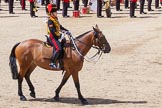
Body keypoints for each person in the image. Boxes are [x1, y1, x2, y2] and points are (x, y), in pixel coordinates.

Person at [47, 3, 69, 69]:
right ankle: (52, 62)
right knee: (58, 48)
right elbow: (52, 31)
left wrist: (67, 31)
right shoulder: (50, 20)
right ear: (51, 13)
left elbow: (60, 27)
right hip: (53, 38)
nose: (56, 13)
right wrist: (60, 35)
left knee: (65, 44)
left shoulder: (55, 19)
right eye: (55, 12)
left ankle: (61, 61)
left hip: (57, 36)